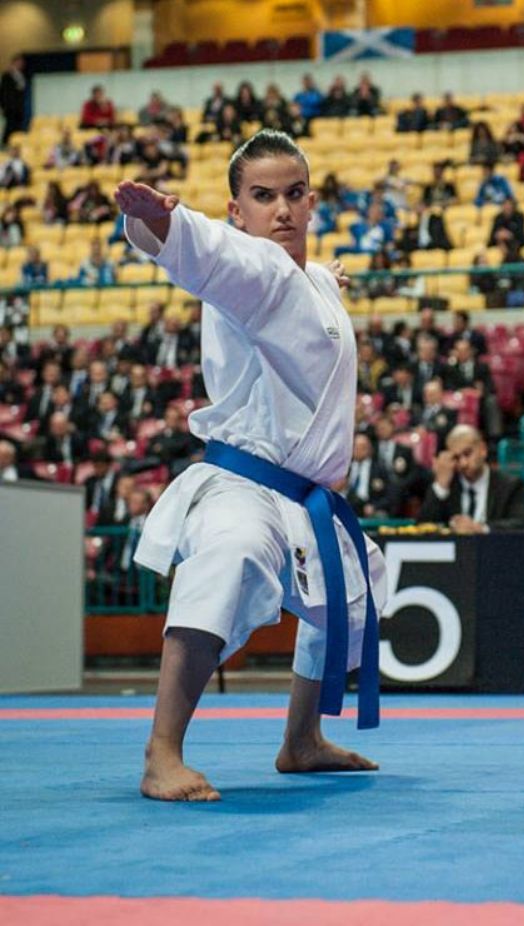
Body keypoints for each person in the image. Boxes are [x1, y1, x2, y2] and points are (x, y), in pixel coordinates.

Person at [114, 128, 386, 801]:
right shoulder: (247, 268)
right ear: (237, 211)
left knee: (359, 583)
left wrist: (328, 278)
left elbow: (307, 286)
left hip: (302, 495)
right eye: (263, 197)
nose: (282, 210)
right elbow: (207, 254)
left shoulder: (304, 278)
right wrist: (159, 221)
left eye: (295, 195)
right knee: (230, 558)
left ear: (313, 201)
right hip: (244, 483)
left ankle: (300, 741)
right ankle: (162, 753)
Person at [417, 424, 524, 532]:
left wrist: (481, 529)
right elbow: (422, 527)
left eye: (467, 454)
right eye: (456, 457)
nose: (463, 463)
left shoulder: (509, 485)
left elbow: (522, 523)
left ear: (483, 450)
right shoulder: (449, 485)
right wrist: (441, 485)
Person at [0, 55, 28, 144]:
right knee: (10, 128)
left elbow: (22, 87)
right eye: (19, 62)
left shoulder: (21, 76)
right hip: (10, 108)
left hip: (19, 109)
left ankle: (16, 144)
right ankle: (6, 145)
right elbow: (3, 93)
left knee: (17, 130)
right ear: (14, 62)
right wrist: (3, 107)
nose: (21, 65)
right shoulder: (6, 76)